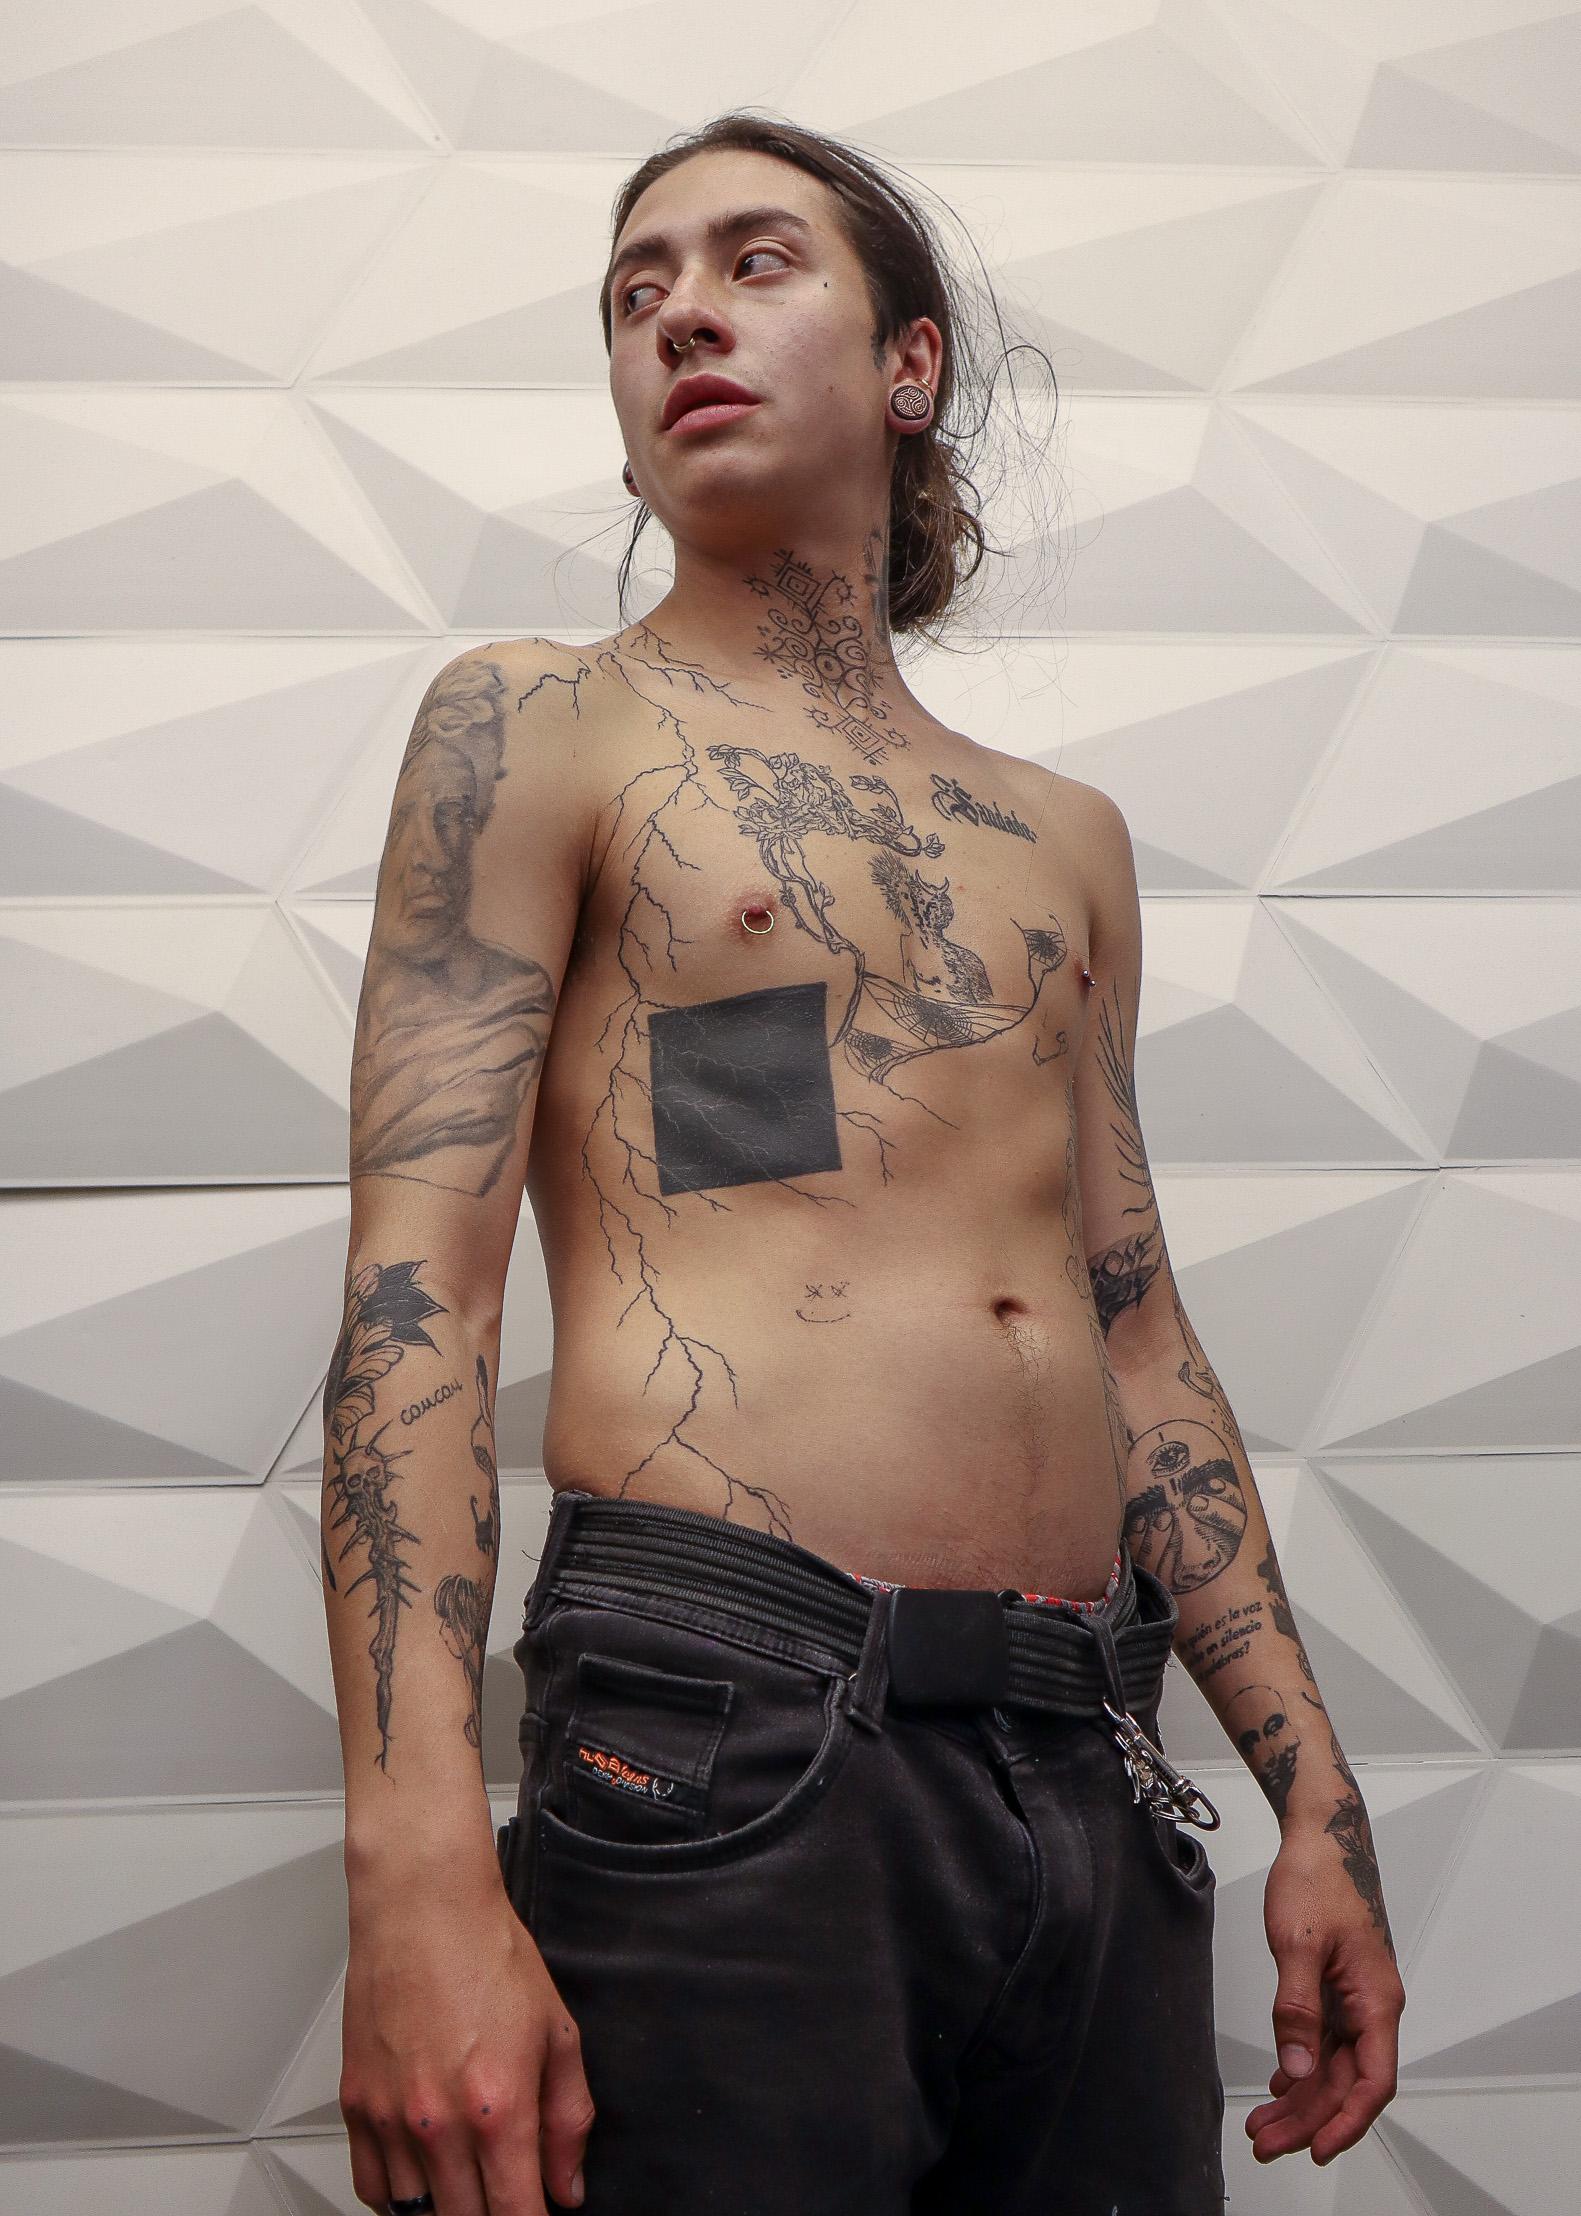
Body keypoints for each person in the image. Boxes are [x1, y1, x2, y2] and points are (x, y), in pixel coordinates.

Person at [323, 112, 1406, 2216]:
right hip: (726, 1715)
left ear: (911, 366)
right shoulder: (540, 725)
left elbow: (1137, 1336)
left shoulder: (1063, 838)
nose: (679, 315)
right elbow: (414, 1295)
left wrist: (1317, 1803)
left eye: (752, 262)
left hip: (1085, 1740)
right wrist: (416, 1863)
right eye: (633, 292)